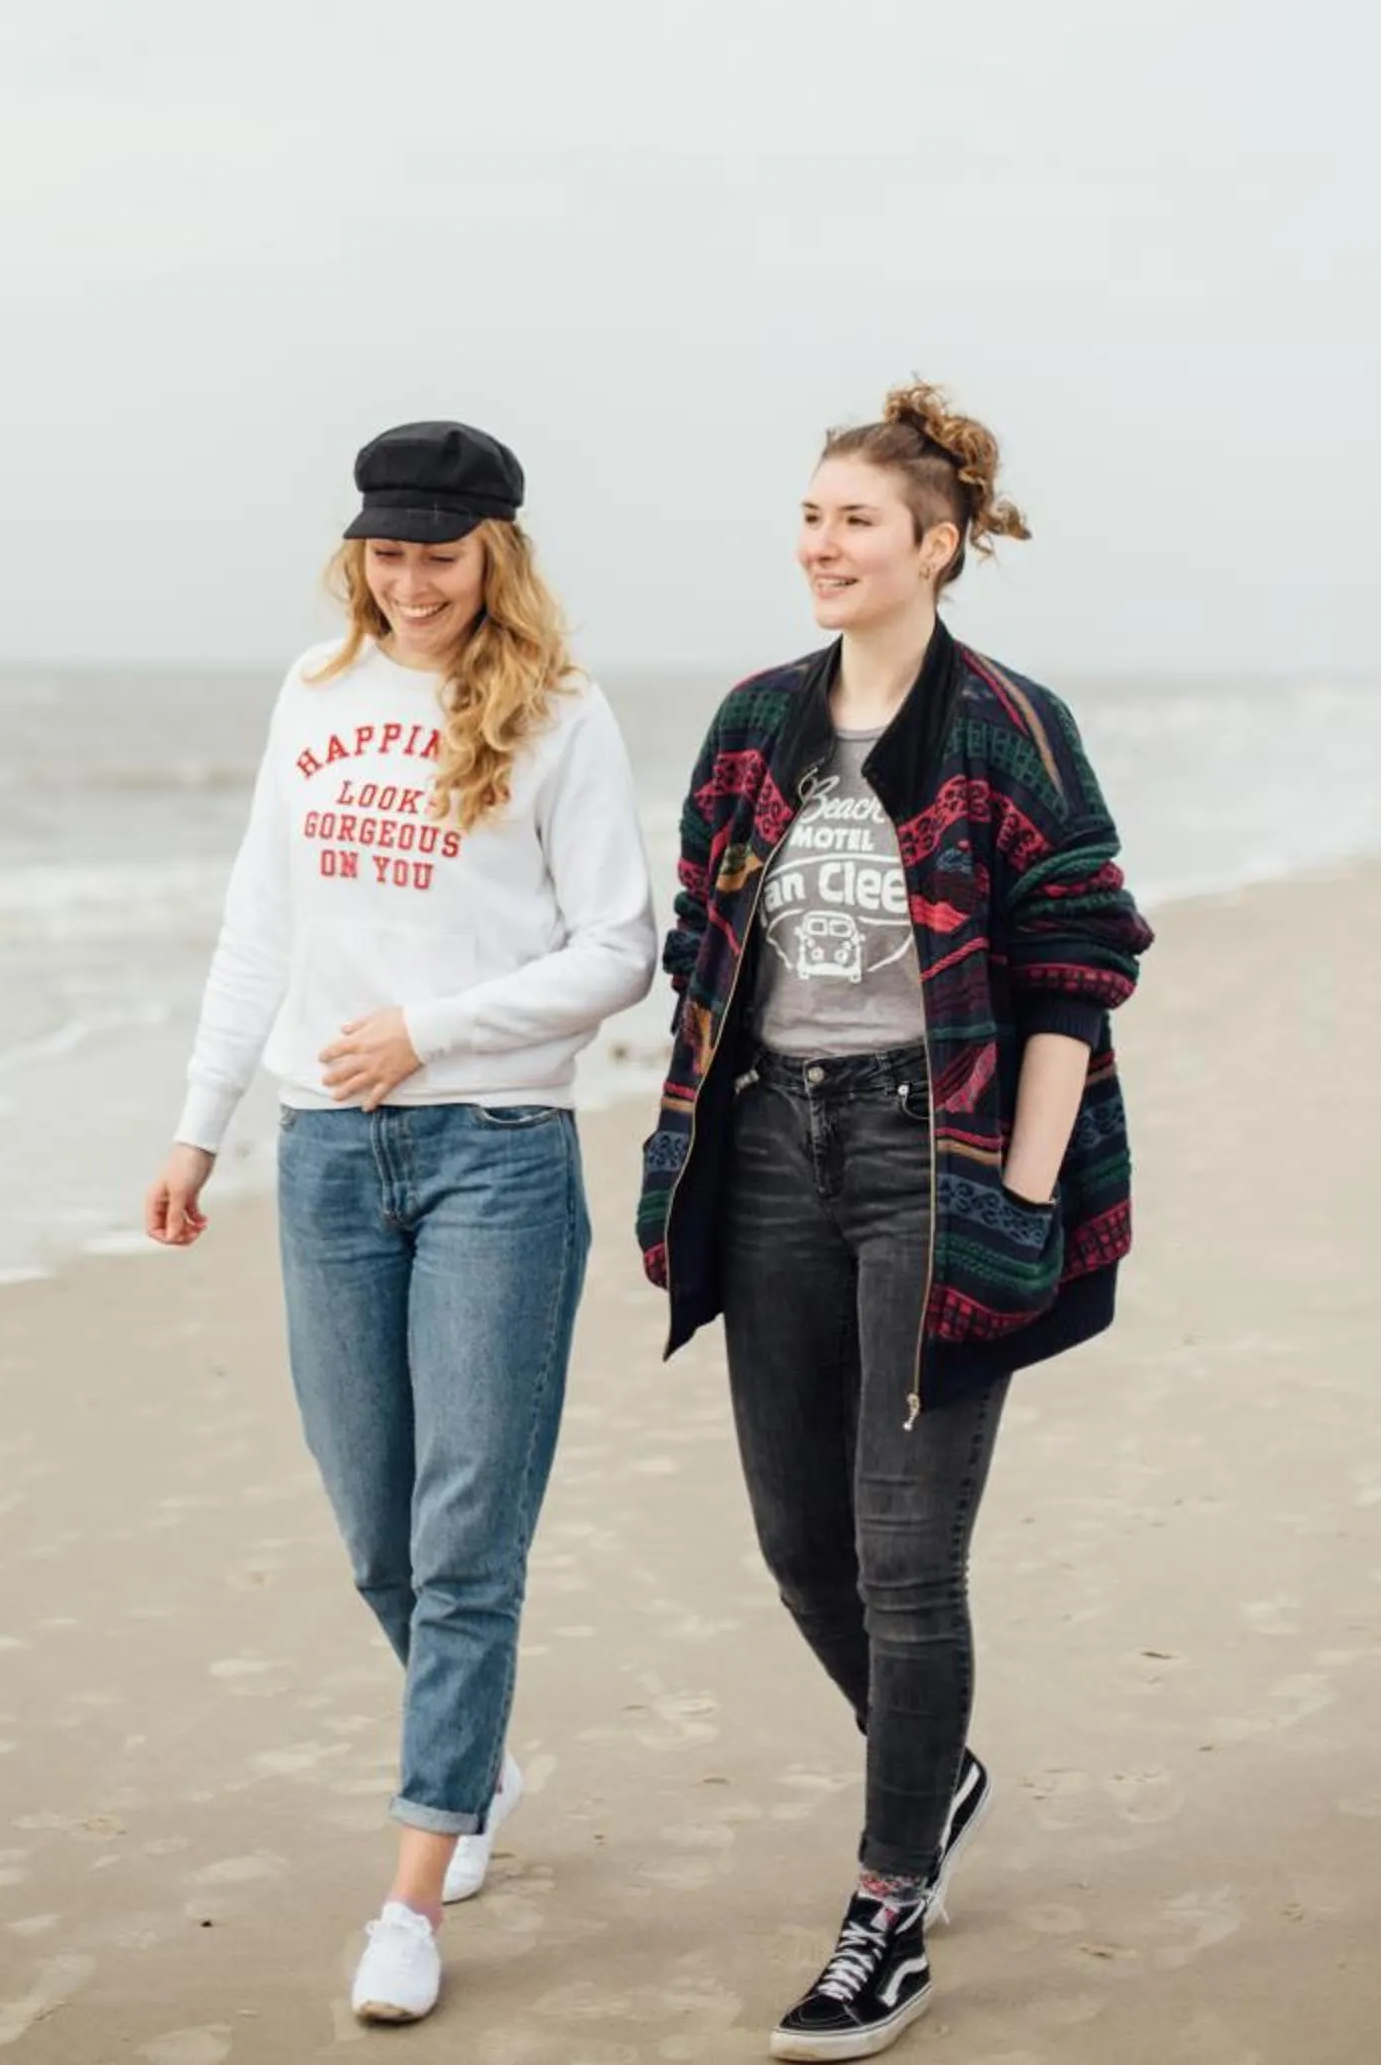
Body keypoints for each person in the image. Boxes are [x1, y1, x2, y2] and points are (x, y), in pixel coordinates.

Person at [636, 383, 1151, 2062]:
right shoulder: (754, 721)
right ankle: (938, 1774)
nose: (821, 545)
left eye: (856, 520)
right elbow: (704, 956)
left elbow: (1077, 962)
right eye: (808, 517)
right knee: (802, 1548)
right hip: (773, 1150)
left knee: (907, 1557)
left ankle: (886, 1914)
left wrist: (1020, 1189)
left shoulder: (1008, 722)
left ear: (937, 546)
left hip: (941, 1162)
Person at [147, 419, 657, 2026]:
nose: (411, 581)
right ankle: (479, 1759)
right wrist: (195, 1127)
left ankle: (415, 1888)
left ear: (493, 552)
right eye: (388, 549)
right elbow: (257, 930)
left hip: (497, 1154)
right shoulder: (313, 696)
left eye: (441, 553)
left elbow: (622, 948)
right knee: (374, 1525)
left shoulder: (562, 715)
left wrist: (430, 1033)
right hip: (322, 1161)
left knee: (464, 1541)